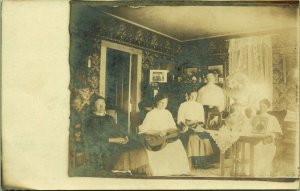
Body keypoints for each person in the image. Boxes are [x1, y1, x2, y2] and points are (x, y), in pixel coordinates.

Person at [83, 96, 149, 176]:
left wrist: (125, 137)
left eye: (103, 103)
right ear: (94, 106)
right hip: (103, 144)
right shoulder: (90, 119)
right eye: (98, 104)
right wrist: (115, 140)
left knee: (138, 145)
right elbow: (93, 137)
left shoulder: (109, 118)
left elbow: (118, 130)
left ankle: (136, 172)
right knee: (121, 151)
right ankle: (120, 171)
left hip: (116, 141)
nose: (101, 106)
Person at [138, 93, 190, 176]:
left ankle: (174, 170)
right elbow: (145, 130)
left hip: (166, 136)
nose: (163, 105)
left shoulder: (167, 113)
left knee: (177, 143)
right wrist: (158, 132)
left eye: (165, 103)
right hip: (154, 137)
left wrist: (168, 130)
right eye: (162, 102)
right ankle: (162, 170)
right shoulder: (150, 114)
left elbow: (173, 127)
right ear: (157, 102)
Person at [177, 88, 215, 169]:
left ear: (197, 96)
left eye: (194, 96)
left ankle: (202, 161)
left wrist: (197, 124)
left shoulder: (199, 105)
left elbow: (202, 119)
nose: (192, 97)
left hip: (197, 125)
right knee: (193, 136)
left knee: (205, 137)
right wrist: (186, 124)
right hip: (187, 125)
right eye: (191, 95)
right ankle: (194, 161)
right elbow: (179, 119)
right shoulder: (183, 105)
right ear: (188, 95)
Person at [252, 98, 283, 177]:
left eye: (264, 106)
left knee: (264, 148)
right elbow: (252, 130)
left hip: (268, 139)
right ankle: (255, 171)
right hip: (256, 138)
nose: (262, 108)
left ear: (267, 107)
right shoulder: (255, 118)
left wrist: (270, 135)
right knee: (254, 147)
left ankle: (264, 172)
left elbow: (278, 132)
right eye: (260, 106)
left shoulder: (272, 118)